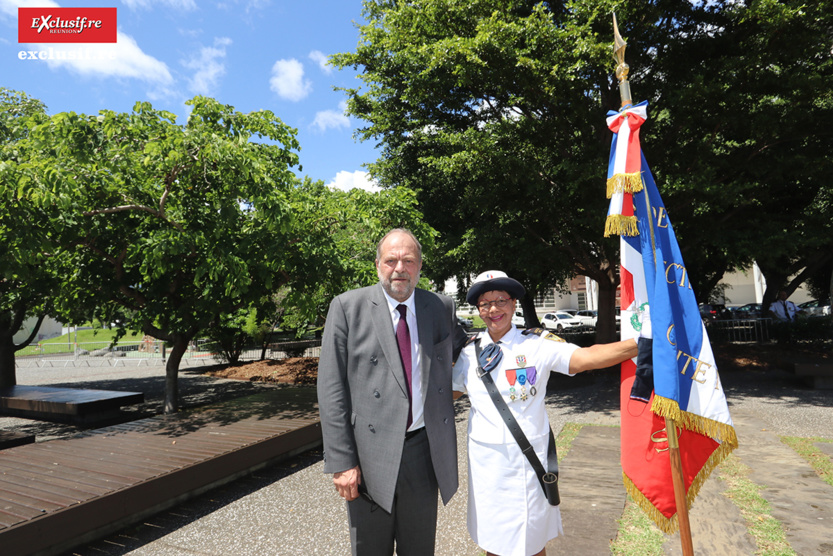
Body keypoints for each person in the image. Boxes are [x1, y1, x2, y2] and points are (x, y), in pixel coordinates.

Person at [452, 270, 639, 556]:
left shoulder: (536, 344)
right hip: (487, 466)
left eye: (500, 300)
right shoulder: (467, 354)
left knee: (532, 542)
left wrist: (641, 344)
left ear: (513, 303)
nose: (493, 309)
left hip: (528, 463)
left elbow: (585, 358)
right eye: (485, 304)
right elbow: (444, 395)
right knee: (492, 540)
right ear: (478, 310)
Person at [317, 228, 468, 556]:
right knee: (370, 549)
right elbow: (331, 391)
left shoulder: (440, 307)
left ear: (420, 267)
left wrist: (518, 341)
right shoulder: (347, 307)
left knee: (419, 549)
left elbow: (469, 351)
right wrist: (342, 462)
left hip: (423, 451)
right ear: (377, 265)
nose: (399, 268)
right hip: (369, 455)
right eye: (391, 260)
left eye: (408, 260)